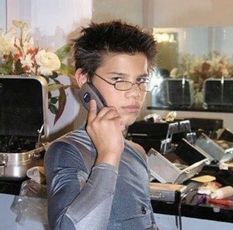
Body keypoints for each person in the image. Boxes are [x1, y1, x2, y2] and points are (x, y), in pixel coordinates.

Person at [44, 20, 158, 230]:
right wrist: (108, 157)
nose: (135, 92)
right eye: (118, 80)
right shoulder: (67, 150)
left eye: (141, 81)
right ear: (83, 79)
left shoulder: (137, 152)